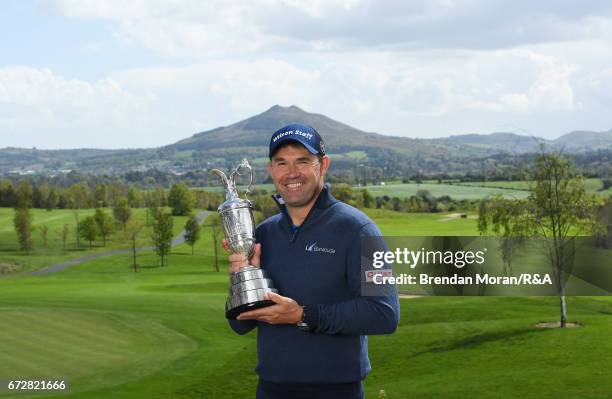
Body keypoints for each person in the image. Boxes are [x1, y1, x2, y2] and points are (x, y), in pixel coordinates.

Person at [225, 123, 399, 399]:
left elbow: (384, 314)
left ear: (323, 164)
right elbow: (240, 324)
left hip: (336, 391)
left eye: (303, 161)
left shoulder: (361, 230)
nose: (291, 172)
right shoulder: (263, 234)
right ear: (271, 170)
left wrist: (302, 316)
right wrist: (242, 279)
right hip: (271, 389)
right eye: (281, 163)